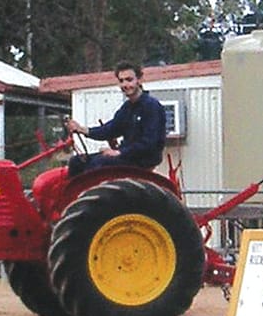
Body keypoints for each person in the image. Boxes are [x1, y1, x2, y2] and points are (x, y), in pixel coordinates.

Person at [32, 63, 169, 210]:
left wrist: (120, 152)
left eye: (129, 80)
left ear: (139, 80)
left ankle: (89, 208)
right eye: (121, 81)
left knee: (98, 164)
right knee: (77, 162)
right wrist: (82, 130)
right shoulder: (128, 108)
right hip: (128, 156)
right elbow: (110, 129)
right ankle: (68, 204)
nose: (125, 84)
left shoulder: (151, 106)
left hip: (141, 160)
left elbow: (150, 143)